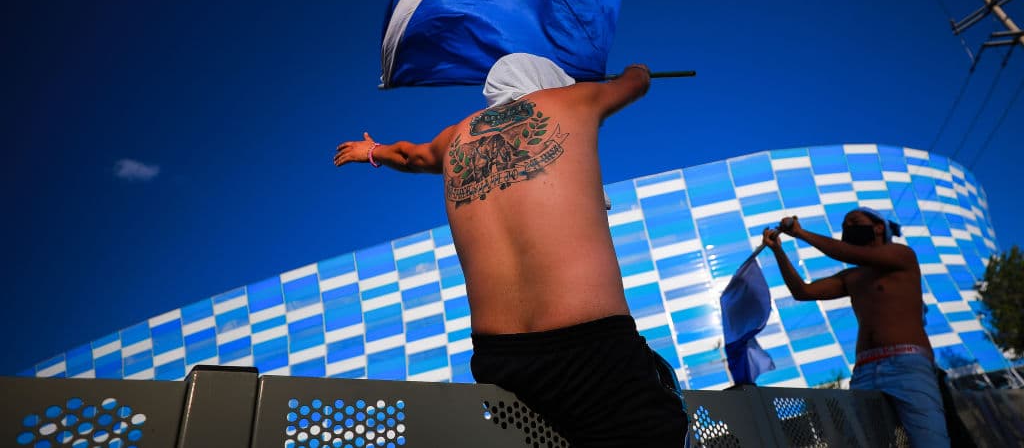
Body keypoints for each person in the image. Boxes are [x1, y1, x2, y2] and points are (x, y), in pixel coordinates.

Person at [335, 53, 687, 447]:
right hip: (590, 350)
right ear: (550, 81)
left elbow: (408, 155)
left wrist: (371, 151)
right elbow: (633, 85)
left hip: (500, 359)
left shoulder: (454, 138)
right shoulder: (574, 100)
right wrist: (638, 70)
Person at [762, 208, 950, 447]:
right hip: (864, 371)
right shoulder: (852, 276)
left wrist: (801, 233)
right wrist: (778, 250)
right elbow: (803, 291)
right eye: (844, 225)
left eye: (854, 222)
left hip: (907, 365)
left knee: (930, 442)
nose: (847, 228)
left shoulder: (902, 255)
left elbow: (848, 253)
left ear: (879, 227)